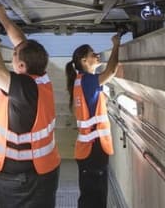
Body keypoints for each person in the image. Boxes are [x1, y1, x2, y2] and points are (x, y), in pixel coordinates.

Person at [0, 0, 60, 208]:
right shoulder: (41, 79)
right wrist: (2, 17)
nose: (13, 55)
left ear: (22, 66)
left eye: (14, 56)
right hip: (41, 171)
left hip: (23, 181)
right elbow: (22, 44)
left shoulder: (25, 87)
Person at [65, 34, 121, 208]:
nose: (97, 55)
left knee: (90, 196)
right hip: (94, 149)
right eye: (92, 54)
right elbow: (111, 71)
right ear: (84, 61)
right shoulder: (88, 80)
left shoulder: (80, 81)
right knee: (95, 198)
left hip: (89, 149)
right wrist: (116, 45)